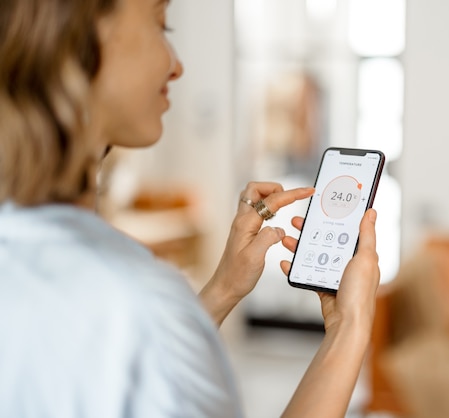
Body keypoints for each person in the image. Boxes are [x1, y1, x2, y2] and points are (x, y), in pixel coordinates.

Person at [0, 0, 381, 417]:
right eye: (162, 25)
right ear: (77, 41)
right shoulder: (135, 305)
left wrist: (224, 287)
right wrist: (350, 327)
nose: (177, 64)